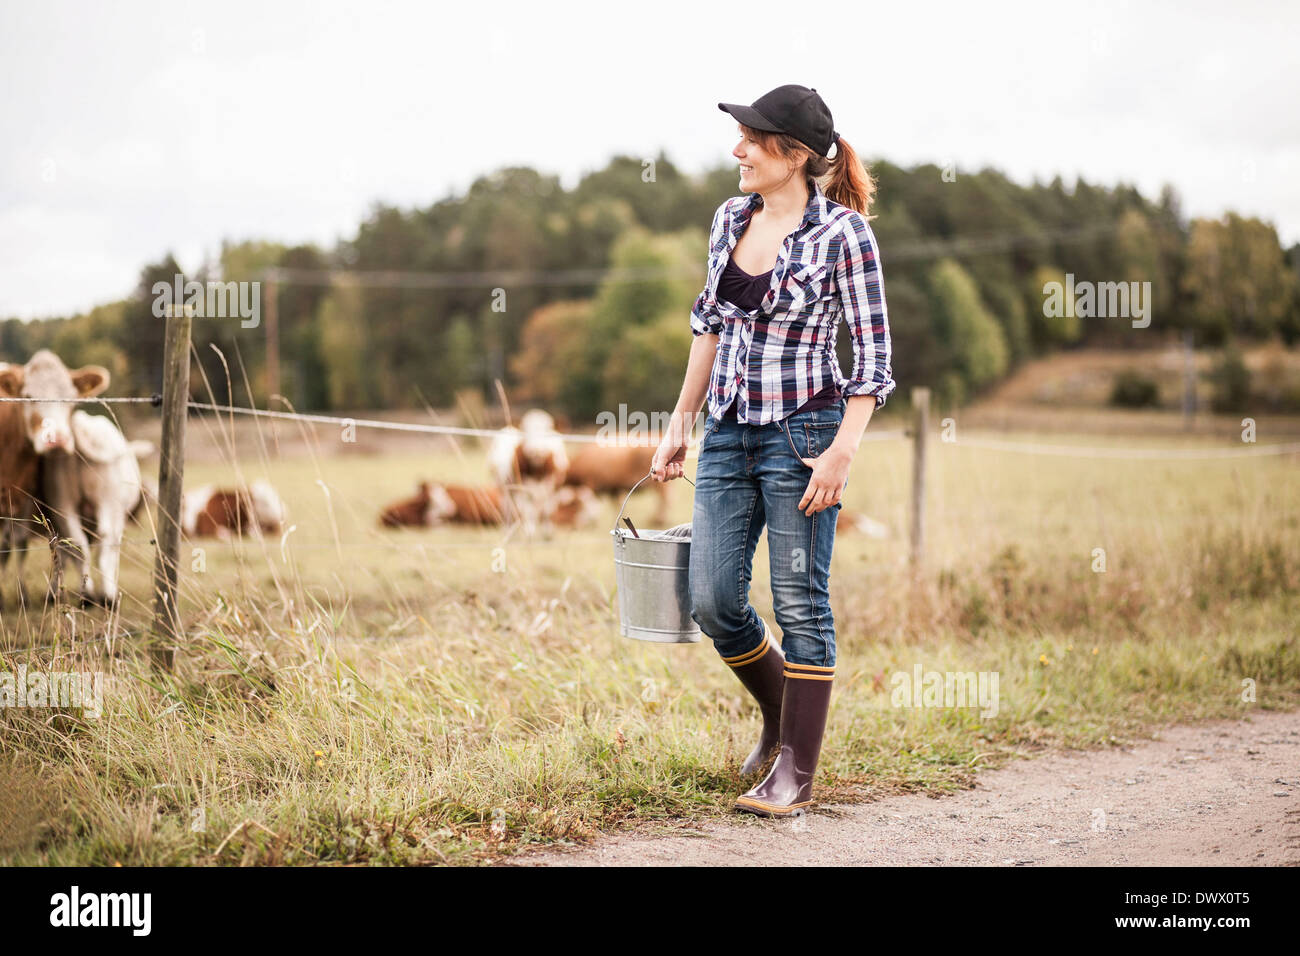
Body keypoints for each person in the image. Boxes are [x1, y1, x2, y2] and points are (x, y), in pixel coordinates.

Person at [650, 84, 896, 817]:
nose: (738, 151)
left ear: (792, 155)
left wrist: (842, 452)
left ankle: (795, 767)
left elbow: (874, 361)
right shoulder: (730, 218)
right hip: (727, 434)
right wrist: (678, 425)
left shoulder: (844, 237)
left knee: (800, 602)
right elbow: (708, 327)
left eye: (753, 141)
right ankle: (785, 714)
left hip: (804, 438)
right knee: (714, 599)